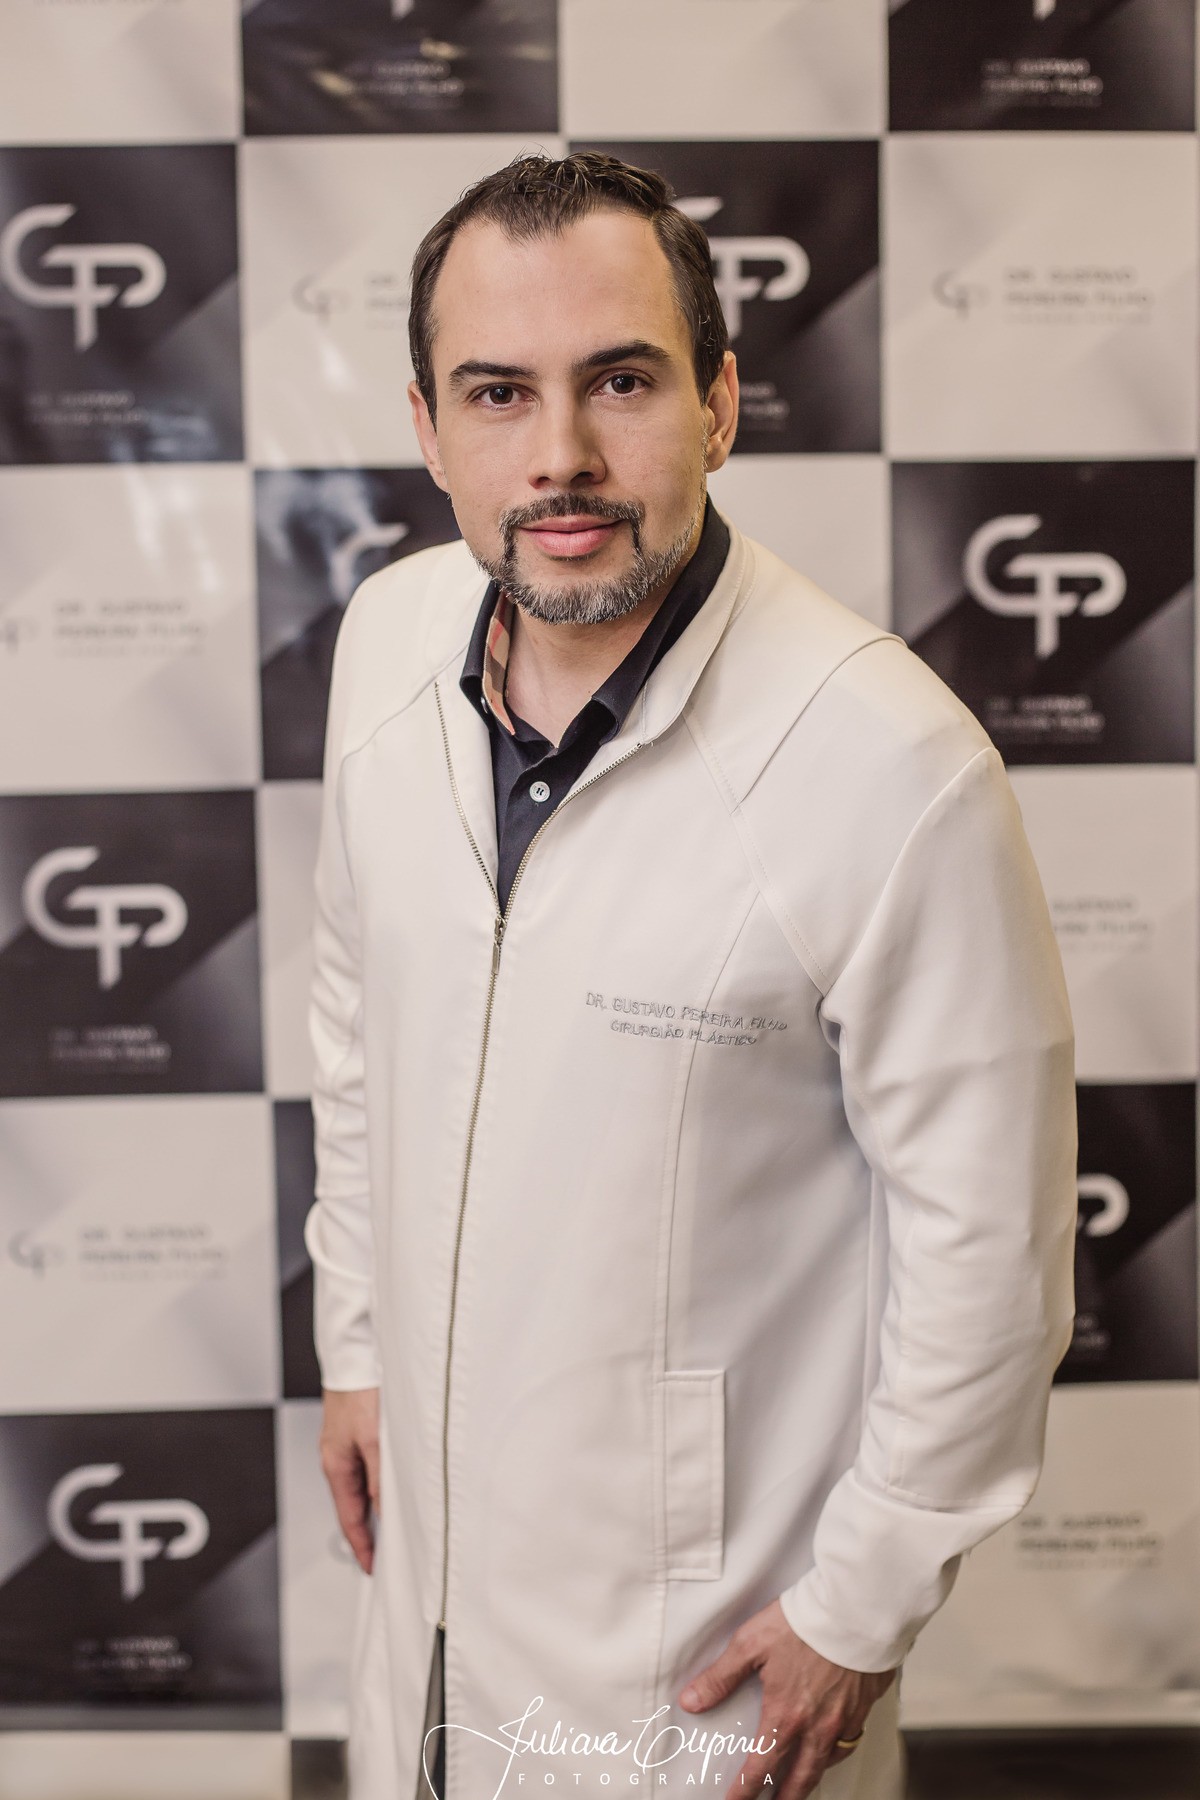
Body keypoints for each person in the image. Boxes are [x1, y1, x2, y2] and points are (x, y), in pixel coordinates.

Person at [306, 153, 1076, 1800]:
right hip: (430, 1607)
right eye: (498, 394)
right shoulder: (386, 644)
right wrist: (359, 1340)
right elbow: (359, 1017)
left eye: (623, 382)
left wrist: (863, 1602)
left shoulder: (888, 761)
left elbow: (992, 1244)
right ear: (428, 428)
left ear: (720, 405)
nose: (561, 456)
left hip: (698, 1665)